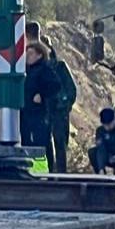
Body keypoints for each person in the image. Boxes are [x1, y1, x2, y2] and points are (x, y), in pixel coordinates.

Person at [37, 33, 77, 174]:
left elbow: (71, 90)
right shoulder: (34, 68)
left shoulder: (59, 67)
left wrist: (63, 106)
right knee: (44, 145)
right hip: (42, 113)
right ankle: (48, 173)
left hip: (58, 113)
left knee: (60, 145)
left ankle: (61, 174)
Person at [21, 42, 58, 152]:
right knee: (26, 142)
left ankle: (42, 168)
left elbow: (55, 85)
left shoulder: (44, 69)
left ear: (40, 55)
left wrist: (41, 94)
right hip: (26, 112)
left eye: (31, 54)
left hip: (39, 113)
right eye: (26, 54)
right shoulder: (26, 70)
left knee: (40, 143)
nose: (28, 56)